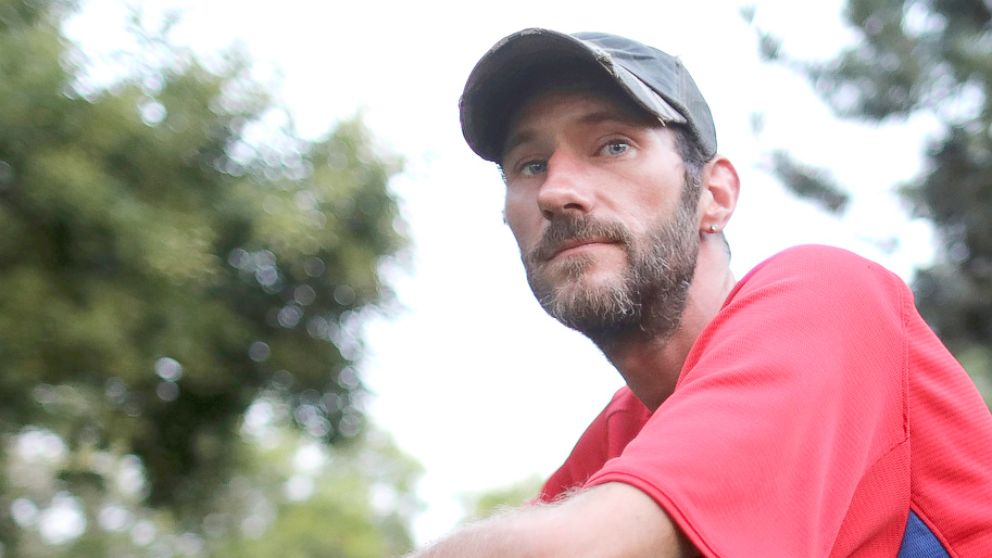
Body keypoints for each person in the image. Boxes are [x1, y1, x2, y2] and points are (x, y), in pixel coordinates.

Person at [412, 28, 992, 557]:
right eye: (529, 164)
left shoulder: (829, 300)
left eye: (613, 145)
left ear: (714, 195)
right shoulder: (616, 445)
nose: (556, 191)